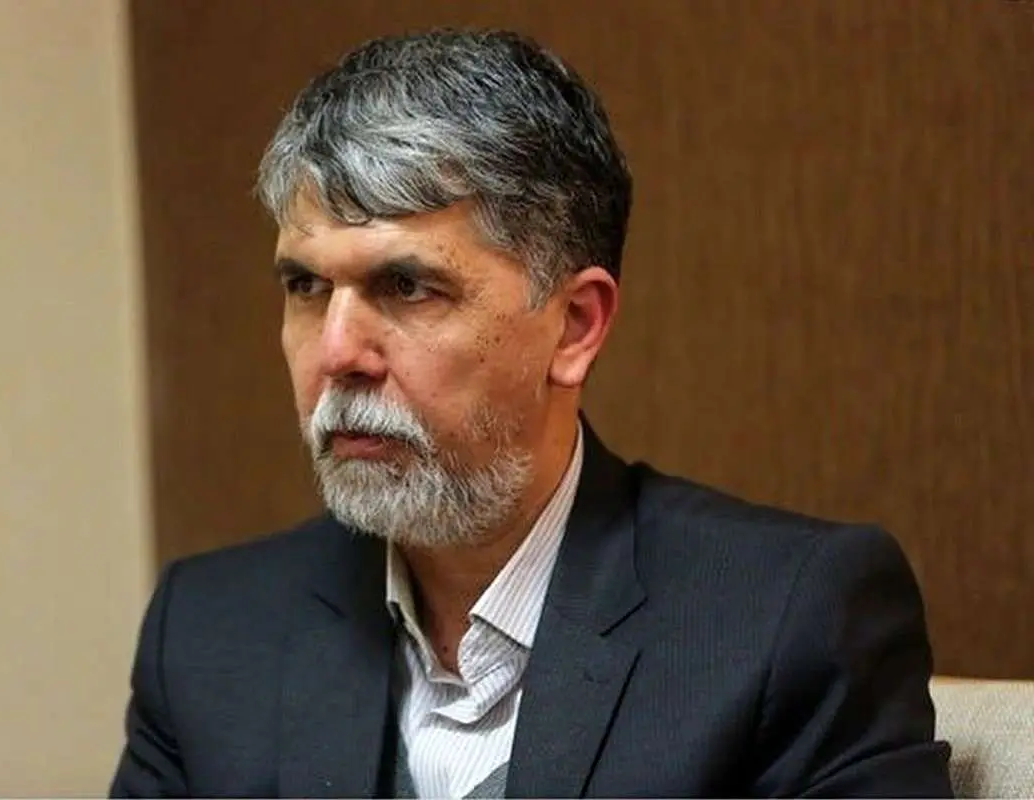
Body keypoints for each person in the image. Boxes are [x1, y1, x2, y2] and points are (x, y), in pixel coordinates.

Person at [109, 29, 952, 799]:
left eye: (406, 286)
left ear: (574, 327)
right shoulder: (210, 633)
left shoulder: (785, 619)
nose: (337, 352)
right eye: (306, 286)